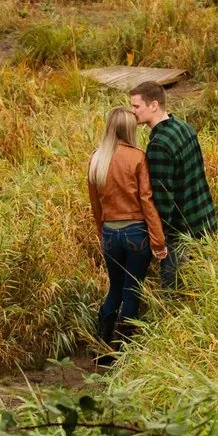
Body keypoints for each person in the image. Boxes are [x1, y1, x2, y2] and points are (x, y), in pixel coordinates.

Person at [85, 105, 166, 364]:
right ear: (129, 129)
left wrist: (103, 234)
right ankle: (121, 351)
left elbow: (95, 205)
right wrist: (158, 240)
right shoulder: (137, 157)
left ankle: (101, 345)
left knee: (115, 289)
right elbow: (147, 202)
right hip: (136, 233)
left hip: (110, 233)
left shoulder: (96, 158)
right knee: (132, 290)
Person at [129, 81, 216, 293]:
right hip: (204, 221)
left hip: (181, 234)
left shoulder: (159, 145)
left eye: (136, 107)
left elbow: (162, 200)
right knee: (204, 289)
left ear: (153, 105)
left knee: (174, 295)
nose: (132, 112)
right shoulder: (183, 126)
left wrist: (158, 238)